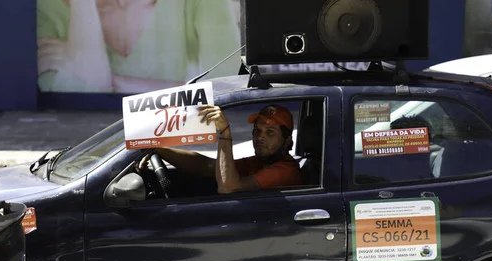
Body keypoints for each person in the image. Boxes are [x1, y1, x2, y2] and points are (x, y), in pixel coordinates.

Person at [37, 0, 241, 93]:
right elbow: (58, 85)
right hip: (85, 142)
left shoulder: (204, 3)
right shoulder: (49, 8)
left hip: (179, 136)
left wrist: (110, 79)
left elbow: (224, 90)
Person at [141, 104, 304, 194]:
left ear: (287, 140)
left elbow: (228, 187)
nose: (260, 137)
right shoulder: (260, 162)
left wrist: (225, 133)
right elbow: (208, 166)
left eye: (270, 132)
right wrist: (158, 148)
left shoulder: (284, 171)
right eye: (257, 131)